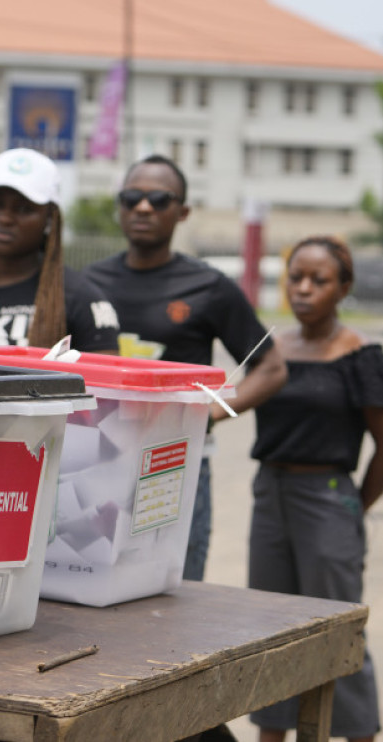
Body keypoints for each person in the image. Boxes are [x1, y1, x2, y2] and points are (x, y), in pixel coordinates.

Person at [84, 153, 287, 583]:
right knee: (89, 575)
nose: (144, 208)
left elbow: (270, 368)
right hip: (95, 460)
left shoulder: (209, 286)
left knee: (172, 586)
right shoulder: (87, 284)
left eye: (159, 199)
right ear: (120, 206)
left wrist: (207, 412)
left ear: (183, 212)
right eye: (132, 197)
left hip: (175, 462)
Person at [248, 236, 383, 742]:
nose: (305, 289)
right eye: (297, 277)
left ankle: (356, 733)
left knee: (336, 633)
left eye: (321, 280)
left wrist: (351, 509)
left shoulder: (362, 357)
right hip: (270, 496)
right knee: (270, 632)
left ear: (344, 288)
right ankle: (273, 733)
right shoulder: (270, 351)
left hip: (328, 496)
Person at [0, 147, 120, 353]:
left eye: (23, 209)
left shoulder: (82, 299)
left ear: (49, 218)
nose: (4, 218)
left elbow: (105, 383)